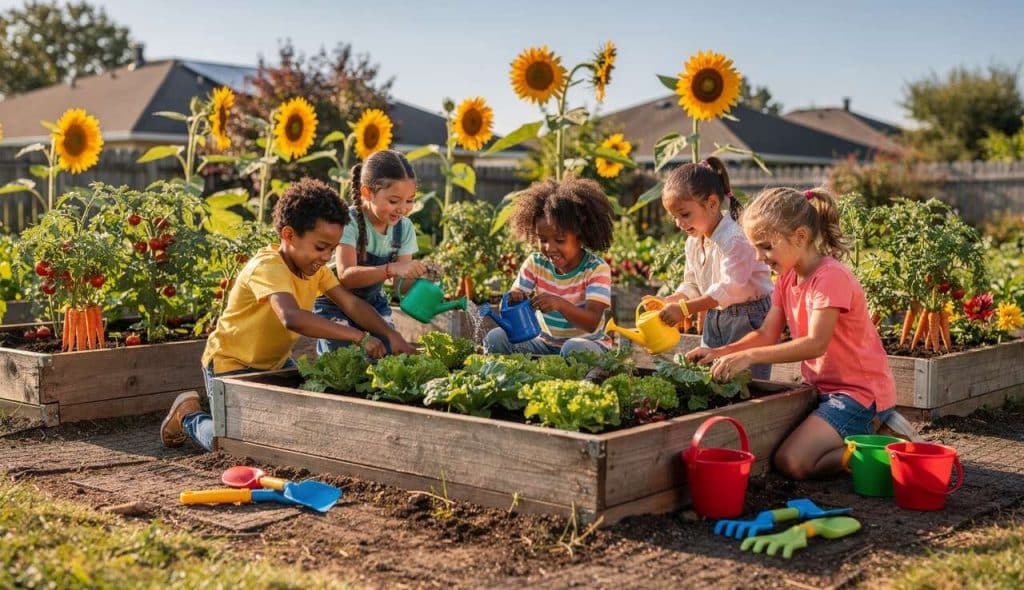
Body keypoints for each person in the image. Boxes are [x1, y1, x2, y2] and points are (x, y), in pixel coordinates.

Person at [160, 178, 416, 451]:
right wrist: (358, 336)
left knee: (302, 424)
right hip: (230, 366)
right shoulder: (268, 267)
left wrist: (390, 335)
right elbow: (291, 317)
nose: (325, 256)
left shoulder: (316, 270)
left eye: (332, 249)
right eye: (320, 247)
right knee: (229, 442)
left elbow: (351, 304)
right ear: (289, 235)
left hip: (276, 365)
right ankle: (188, 414)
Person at [687, 186, 917, 480]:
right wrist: (718, 352)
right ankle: (869, 439)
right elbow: (766, 334)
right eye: (755, 247)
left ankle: (888, 450)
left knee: (793, 462)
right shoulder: (786, 279)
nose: (759, 257)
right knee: (778, 453)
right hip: (820, 391)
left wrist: (748, 357)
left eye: (766, 246)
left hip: (857, 395)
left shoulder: (830, 278)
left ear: (800, 237)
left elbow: (815, 344)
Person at [649, 157, 773, 379]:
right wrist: (673, 300)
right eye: (674, 217)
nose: (679, 223)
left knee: (747, 385)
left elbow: (728, 290)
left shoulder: (736, 239)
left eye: (685, 214)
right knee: (711, 381)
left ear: (713, 203)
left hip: (748, 321)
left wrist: (686, 309)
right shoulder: (694, 242)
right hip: (715, 319)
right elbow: (693, 283)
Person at [314, 149, 431, 354]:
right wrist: (392, 268)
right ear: (367, 193)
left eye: (410, 200)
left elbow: (399, 289)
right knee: (343, 362)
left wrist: (421, 274)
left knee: (386, 356)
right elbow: (346, 276)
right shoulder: (348, 222)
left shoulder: (404, 229)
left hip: (373, 303)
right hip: (335, 303)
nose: (402, 209)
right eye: (394, 201)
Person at [483, 175, 614, 357]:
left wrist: (560, 304)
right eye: (542, 240)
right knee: (496, 338)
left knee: (572, 349)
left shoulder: (596, 269)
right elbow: (514, 301)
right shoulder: (536, 263)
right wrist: (515, 298)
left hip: (589, 346)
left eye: (559, 240)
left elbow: (591, 322)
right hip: (543, 344)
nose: (549, 248)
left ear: (581, 235)